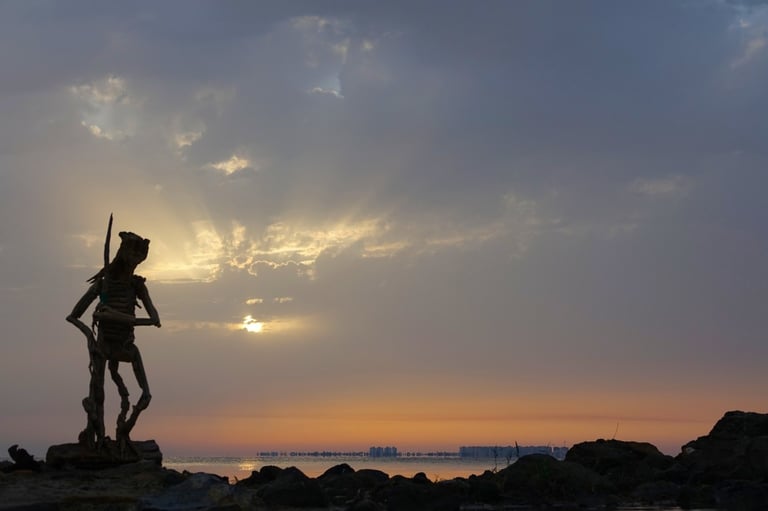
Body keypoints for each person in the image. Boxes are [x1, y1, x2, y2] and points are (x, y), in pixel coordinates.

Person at [66, 229, 161, 454]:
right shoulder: (104, 284)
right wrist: (89, 336)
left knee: (146, 394)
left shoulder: (137, 286)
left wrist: (116, 316)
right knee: (97, 394)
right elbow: (73, 316)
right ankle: (97, 439)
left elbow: (155, 320)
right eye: (133, 253)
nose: (136, 259)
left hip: (125, 345)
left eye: (140, 255)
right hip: (103, 345)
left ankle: (123, 432)